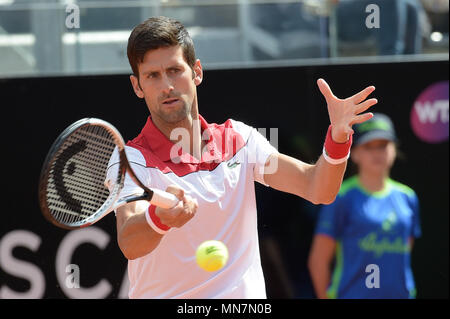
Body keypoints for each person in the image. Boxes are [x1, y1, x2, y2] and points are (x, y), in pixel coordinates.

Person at [105, 16, 377, 299]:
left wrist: (339, 137)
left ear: (197, 71)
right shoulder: (131, 161)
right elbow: (129, 241)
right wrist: (160, 218)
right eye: (153, 75)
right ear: (137, 86)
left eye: (175, 70)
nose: (166, 86)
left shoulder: (240, 139)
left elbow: (317, 188)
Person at [308, 113, 421, 299]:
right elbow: (318, 262)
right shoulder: (340, 197)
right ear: (355, 153)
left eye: (383, 145)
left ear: (394, 149)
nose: (377, 153)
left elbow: (404, 254)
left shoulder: (408, 197)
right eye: (369, 146)